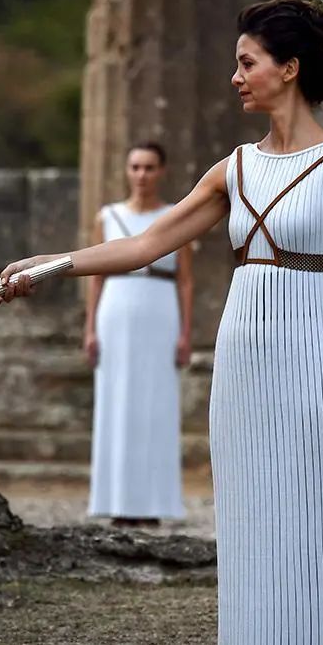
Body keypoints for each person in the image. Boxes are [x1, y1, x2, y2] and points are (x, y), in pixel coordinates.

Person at [0, 0, 323, 643]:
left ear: (290, 68)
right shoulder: (234, 170)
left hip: (318, 366)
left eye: (248, 63)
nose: (235, 76)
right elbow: (144, 244)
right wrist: (53, 264)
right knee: (253, 522)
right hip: (242, 375)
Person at [85, 142, 193, 527]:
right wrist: (90, 329)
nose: (142, 175)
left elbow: (186, 280)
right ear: (127, 171)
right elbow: (95, 277)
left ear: (161, 171)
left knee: (156, 404)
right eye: (135, 167)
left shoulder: (175, 217)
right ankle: (116, 499)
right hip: (116, 310)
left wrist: (185, 333)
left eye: (149, 167)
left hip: (159, 310)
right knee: (116, 402)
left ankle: (154, 502)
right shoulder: (108, 216)